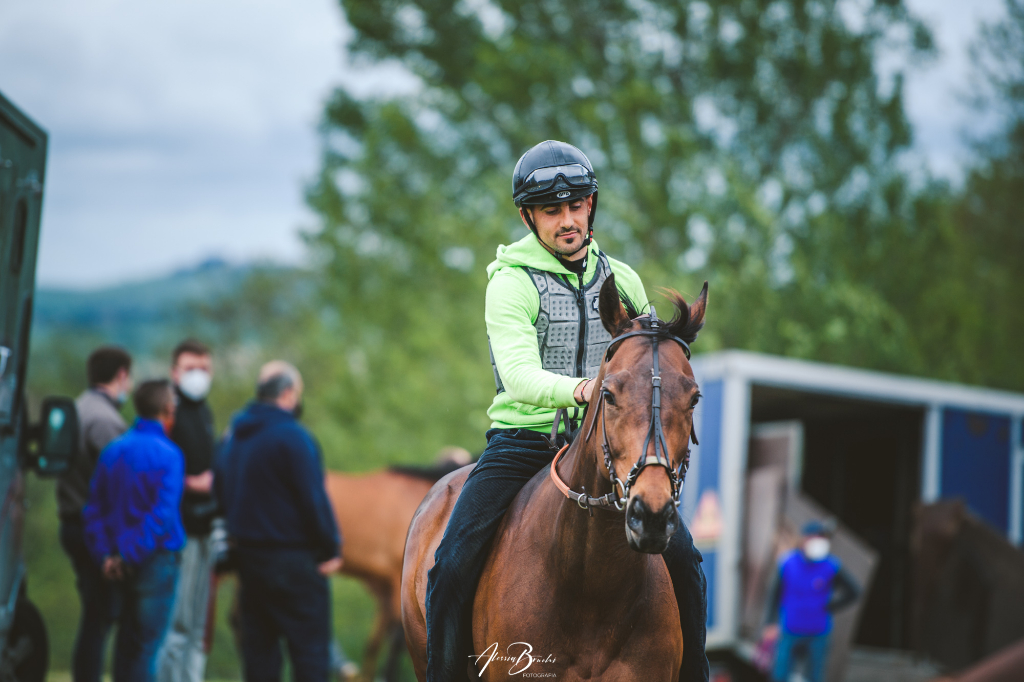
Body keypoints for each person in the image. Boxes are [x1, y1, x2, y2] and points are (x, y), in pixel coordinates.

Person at [424, 140, 710, 682]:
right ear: (529, 216)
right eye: (552, 210)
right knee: (452, 564)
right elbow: (519, 375)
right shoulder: (511, 281)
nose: (568, 220)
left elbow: (647, 363)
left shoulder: (621, 278)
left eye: (576, 205)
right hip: (524, 440)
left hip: (613, 445)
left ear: (591, 206)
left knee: (688, 566)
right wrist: (586, 389)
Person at [213, 361, 342, 682]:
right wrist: (330, 549)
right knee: (310, 653)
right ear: (287, 393)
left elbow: (221, 492)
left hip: (248, 560)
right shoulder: (293, 437)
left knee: (259, 656)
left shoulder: (233, 438)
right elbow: (312, 499)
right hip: (294, 562)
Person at [83, 379, 186, 682]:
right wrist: (131, 555)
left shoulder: (114, 451)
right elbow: (162, 515)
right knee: (145, 650)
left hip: (116, 562)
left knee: (124, 647)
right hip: (155, 561)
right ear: (168, 409)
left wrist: (106, 555)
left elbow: (93, 510)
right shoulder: (169, 454)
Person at [58, 346, 133, 682]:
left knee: (95, 613)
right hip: (94, 530)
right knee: (100, 617)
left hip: (72, 520)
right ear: (121, 375)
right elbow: (121, 482)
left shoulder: (78, 407)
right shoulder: (105, 421)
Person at [158, 340, 218, 682]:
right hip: (178, 531)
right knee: (177, 624)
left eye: (204, 368)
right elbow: (154, 473)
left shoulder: (204, 411)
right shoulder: (169, 413)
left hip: (206, 527)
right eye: (191, 368)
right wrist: (191, 484)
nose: (199, 375)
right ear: (175, 372)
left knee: (198, 625)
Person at [766, 521, 861, 682]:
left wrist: (831, 606)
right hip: (791, 630)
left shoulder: (830, 566)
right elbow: (774, 594)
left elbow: (854, 591)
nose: (818, 542)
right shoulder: (787, 563)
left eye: (821, 538)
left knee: (815, 676)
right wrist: (770, 622)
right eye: (814, 537)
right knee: (780, 675)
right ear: (804, 540)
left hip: (818, 632)